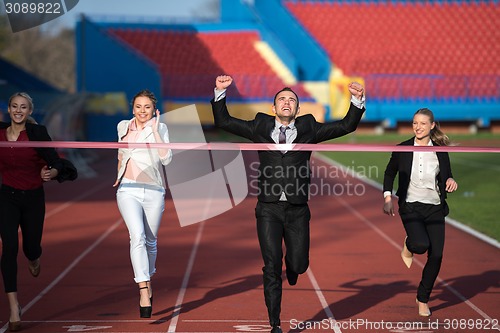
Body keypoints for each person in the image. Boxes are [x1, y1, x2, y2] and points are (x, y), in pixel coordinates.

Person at [211, 75, 365, 333]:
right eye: (281, 99)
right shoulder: (259, 126)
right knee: (271, 266)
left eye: (291, 100)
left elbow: (346, 126)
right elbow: (223, 121)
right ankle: (275, 324)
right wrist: (219, 92)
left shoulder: (309, 129)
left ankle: (293, 268)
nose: (286, 102)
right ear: (273, 108)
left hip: (297, 210)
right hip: (268, 208)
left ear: (297, 109)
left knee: (299, 264)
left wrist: (357, 99)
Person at [0, 92, 77, 332]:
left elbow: (57, 162)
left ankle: (34, 256)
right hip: (6, 197)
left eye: (23, 107)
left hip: (33, 198)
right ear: (9, 109)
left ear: (29, 111)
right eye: (14, 106)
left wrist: (51, 173)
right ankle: (14, 308)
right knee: (9, 247)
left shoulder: (37, 133)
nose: (18, 110)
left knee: (30, 247)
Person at [382, 108, 458, 317]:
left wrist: (450, 181)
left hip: (434, 207)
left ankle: (422, 298)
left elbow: (447, 175)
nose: (418, 127)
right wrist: (387, 197)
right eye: (415, 123)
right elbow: (390, 173)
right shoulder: (403, 148)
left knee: (437, 255)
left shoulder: (440, 149)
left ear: (432, 125)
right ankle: (409, 244)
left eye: (423, 123)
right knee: (420, 244)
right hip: (411, 206)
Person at [113, 89, 172, 318]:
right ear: (132, 108)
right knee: (136, 236)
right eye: (138, 106)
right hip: (128, 189)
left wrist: (156, 132)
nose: (142, 111)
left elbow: (166, 158)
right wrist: (117, 176)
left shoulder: (160, 127)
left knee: (150, 242)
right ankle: (143, 288)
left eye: (147, 107)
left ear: (153, 109)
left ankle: (147, 277)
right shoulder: (122, 126)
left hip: (154, 190)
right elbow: (119, 153)